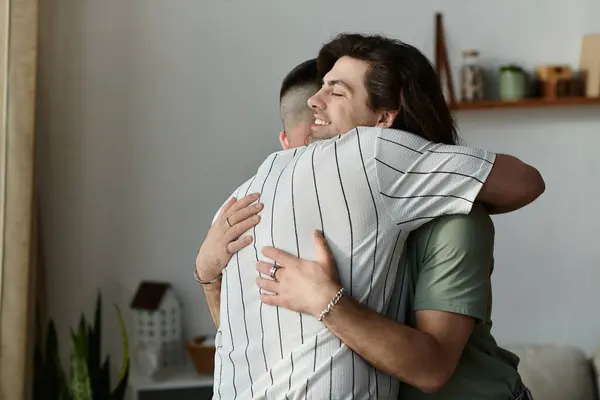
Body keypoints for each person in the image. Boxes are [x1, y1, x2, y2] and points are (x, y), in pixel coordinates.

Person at [198, 33, 544, 399]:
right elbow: (262, 338)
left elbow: (432, 370)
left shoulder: (453, 221)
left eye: (337, 91)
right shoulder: (277, 201)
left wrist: (327, 303)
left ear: (382, 121)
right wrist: (209, 276)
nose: (316, 103)